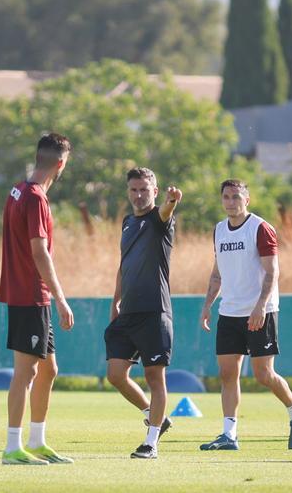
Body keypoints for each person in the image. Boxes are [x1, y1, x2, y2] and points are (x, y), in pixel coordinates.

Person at [198, 180, 292, 451]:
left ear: (247, 200)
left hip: (261, 311)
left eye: (236, 197)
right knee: (227, 374)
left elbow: (272, 272)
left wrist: (260, 306)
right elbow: (217, 273)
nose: (231, 202)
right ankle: (229, 435)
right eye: (226, 197)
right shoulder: (219, 230)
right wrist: (208, 305)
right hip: (230, 312)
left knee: (263, 374)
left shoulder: (260, 228)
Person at [0, 133, 75, 465]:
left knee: (49, 369)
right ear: (61, 163)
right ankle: (12, 447)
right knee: (26, 372)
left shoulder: (18, 190)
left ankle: (37, 440)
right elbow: (39, 252)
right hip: (31, 295)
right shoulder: (36, 199)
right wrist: (61, 297)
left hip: (29, 294)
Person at [105, 167, 181, 460]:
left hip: (154, 310)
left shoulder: (159, 219)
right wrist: (115, 301)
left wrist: (174, 201)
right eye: (134, 190)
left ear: (155, 191)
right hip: (129, 313)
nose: (139, 195)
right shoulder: (127, 222)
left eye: (144, 190)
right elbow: (123, 266)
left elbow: (166, 211)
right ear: (128, 192)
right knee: (115, 374)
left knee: (154, 376)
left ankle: (151, 443)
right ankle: (155, 415)